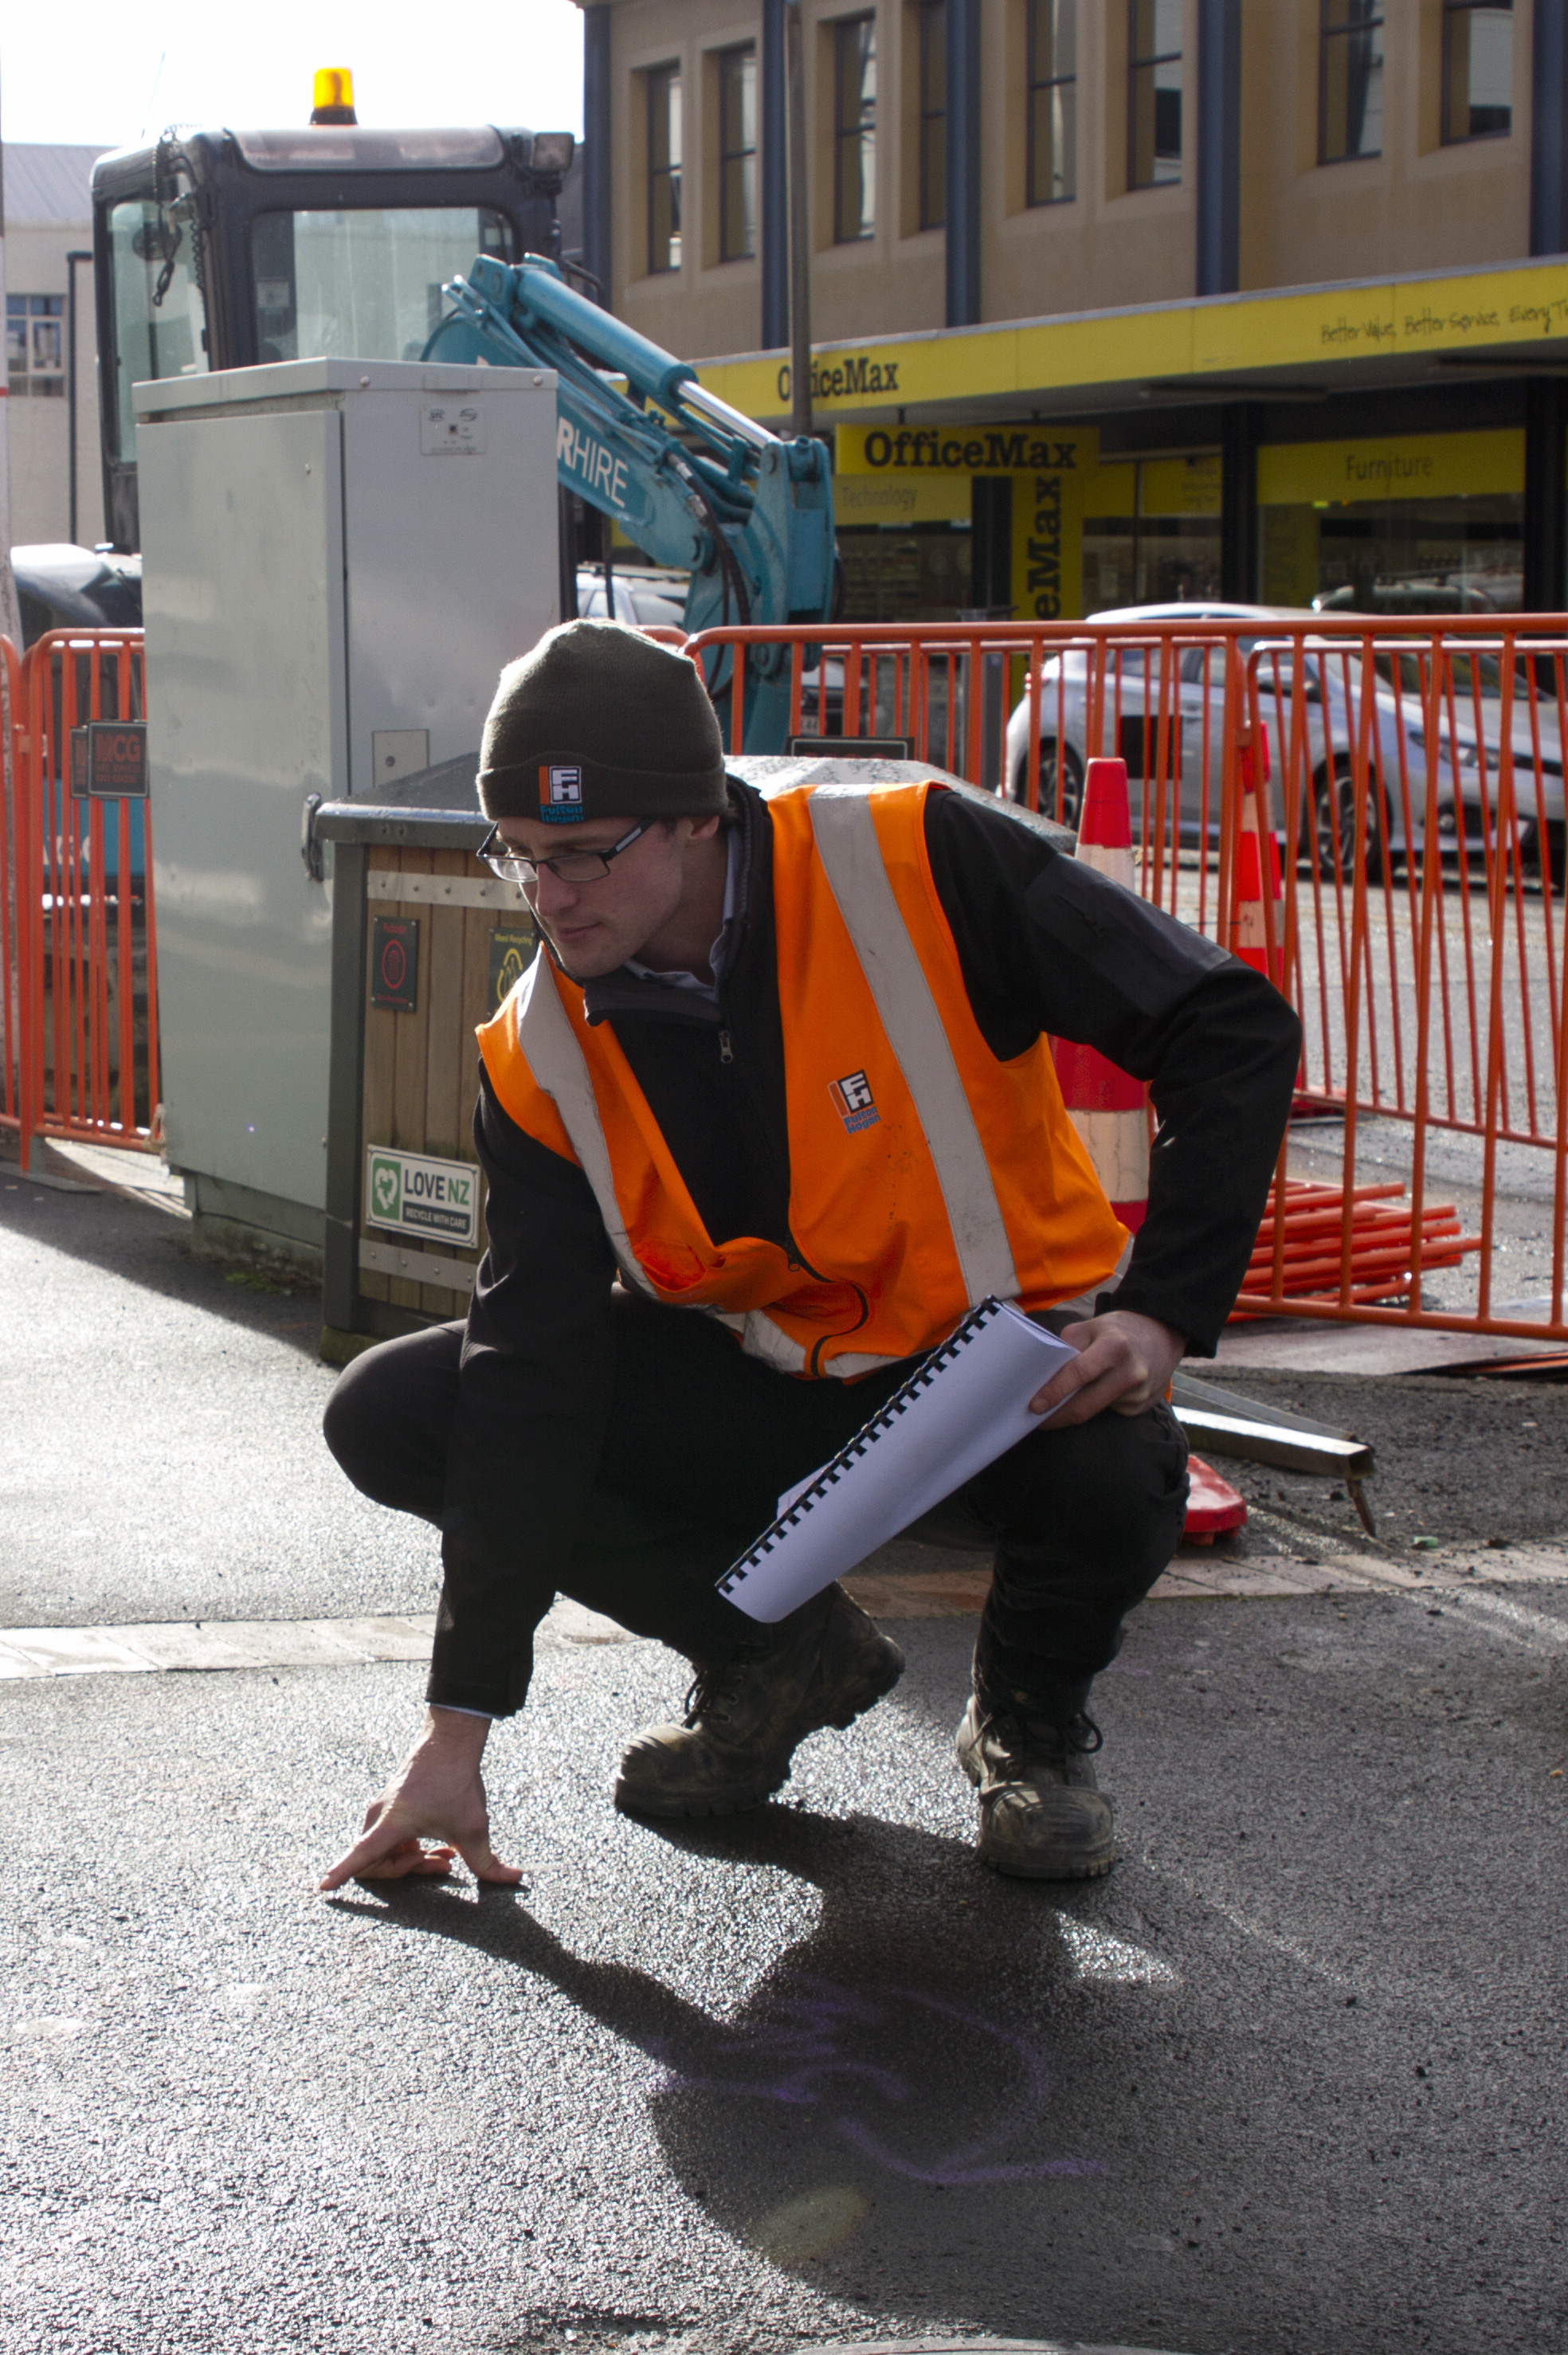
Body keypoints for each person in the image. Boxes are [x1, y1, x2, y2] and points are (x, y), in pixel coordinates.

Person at [319, 621, 1299, 1894]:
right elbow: (531, 1372)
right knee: (398, 1411)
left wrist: (1161, 1314)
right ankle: (777, 1659)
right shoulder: (537, 1052)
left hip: (1001, 1382)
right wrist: (459, 1727)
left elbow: (1226, 1023)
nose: (551, 901)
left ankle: (1026, 1729)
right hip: (772, 1390)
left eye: (583, 857)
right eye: (521, 860)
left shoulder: (917, 860)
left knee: (1123, 1467)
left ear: (695, 821)